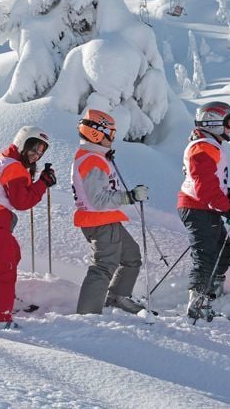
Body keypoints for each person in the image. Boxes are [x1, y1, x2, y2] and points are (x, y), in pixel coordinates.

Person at [0, 126, 56, 328]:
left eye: (41, 152)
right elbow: (22, 202)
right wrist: (42, 183)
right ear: (22, 143)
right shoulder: (14, 166)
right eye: (33, 148)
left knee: (12, 254)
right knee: (4, 268)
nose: (36, 155)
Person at [72, 109, 149, 315]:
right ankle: (88, 314)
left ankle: (118, 297)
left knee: (131, 256)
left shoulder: (97, 157)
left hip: (107, 220)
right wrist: (129, 197)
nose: (113, 139)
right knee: (103, 266)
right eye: (110, 134)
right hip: (100, 221)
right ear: (96, 133)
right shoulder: (92, 160)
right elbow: (98, 200)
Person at [178, 101, 230, 319]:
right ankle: (198, 301)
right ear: (213, 123)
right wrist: (227, 208)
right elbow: (204, 188)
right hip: (197, 206)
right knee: (206, 254)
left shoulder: (209, 145)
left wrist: (227, 197)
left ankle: (212, 294)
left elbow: (213, 182)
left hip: (205, 206)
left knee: (224, 249)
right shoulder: (203, 147)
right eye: (229, 123)